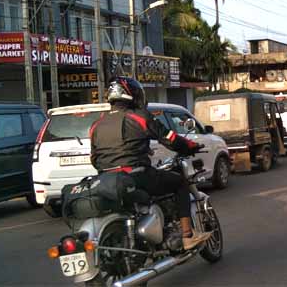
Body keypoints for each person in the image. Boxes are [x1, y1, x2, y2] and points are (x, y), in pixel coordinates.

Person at [90, 77, 211, 250]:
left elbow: (94, 158)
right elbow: (169, 138)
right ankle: (187, 236)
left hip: (108, 180)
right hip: (137, 175)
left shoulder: (96, 124)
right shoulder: (139, 117)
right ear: (133, 95)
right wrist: (189, 146)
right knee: (179, 182)